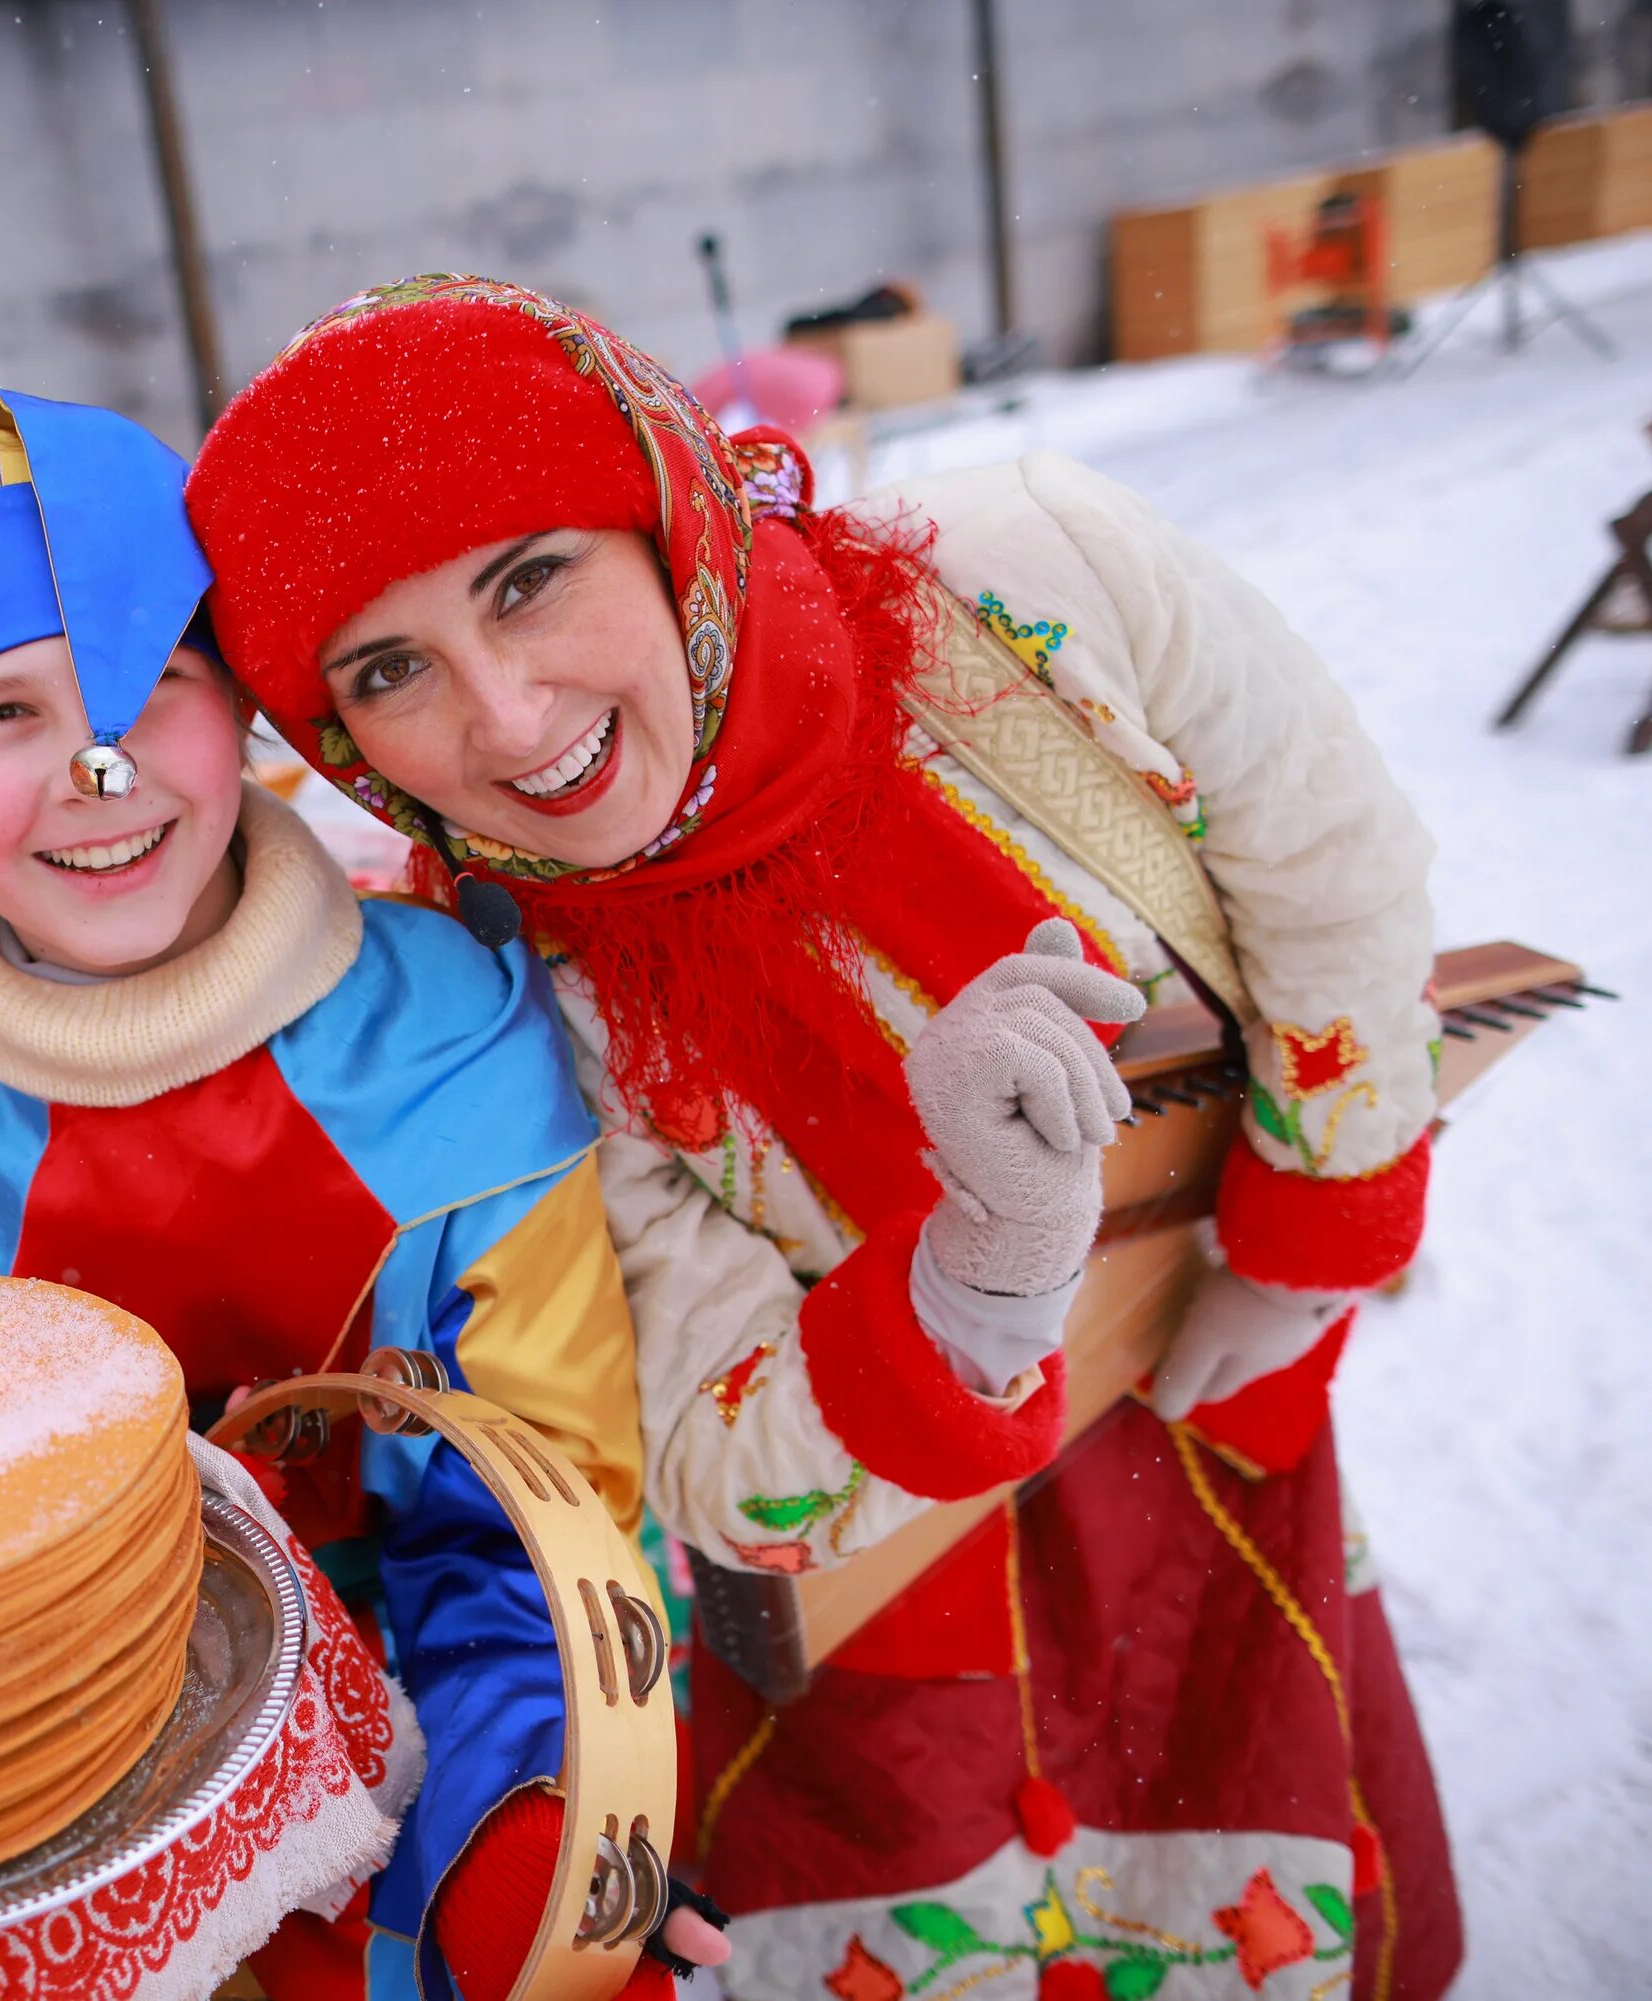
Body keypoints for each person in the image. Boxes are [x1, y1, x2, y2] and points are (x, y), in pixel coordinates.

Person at [185, 276, 1461, 1998]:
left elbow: (1335, 872)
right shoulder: (507, 969)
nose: (500, 716)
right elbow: (712, 1433)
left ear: (663, 510)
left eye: (529, 576)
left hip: (1204, 1418)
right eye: (391, 668)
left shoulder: (1028, 582)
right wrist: (979, 1278)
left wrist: (1311, 1246)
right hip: (883, 1603)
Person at [0, 388, 734, 2001]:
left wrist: (532, 1809)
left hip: (450, 1735)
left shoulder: (449, 1027)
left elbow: (541, 1514)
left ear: (237, 703)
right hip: (80, 1808)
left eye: (147, 683)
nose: (94, 767)